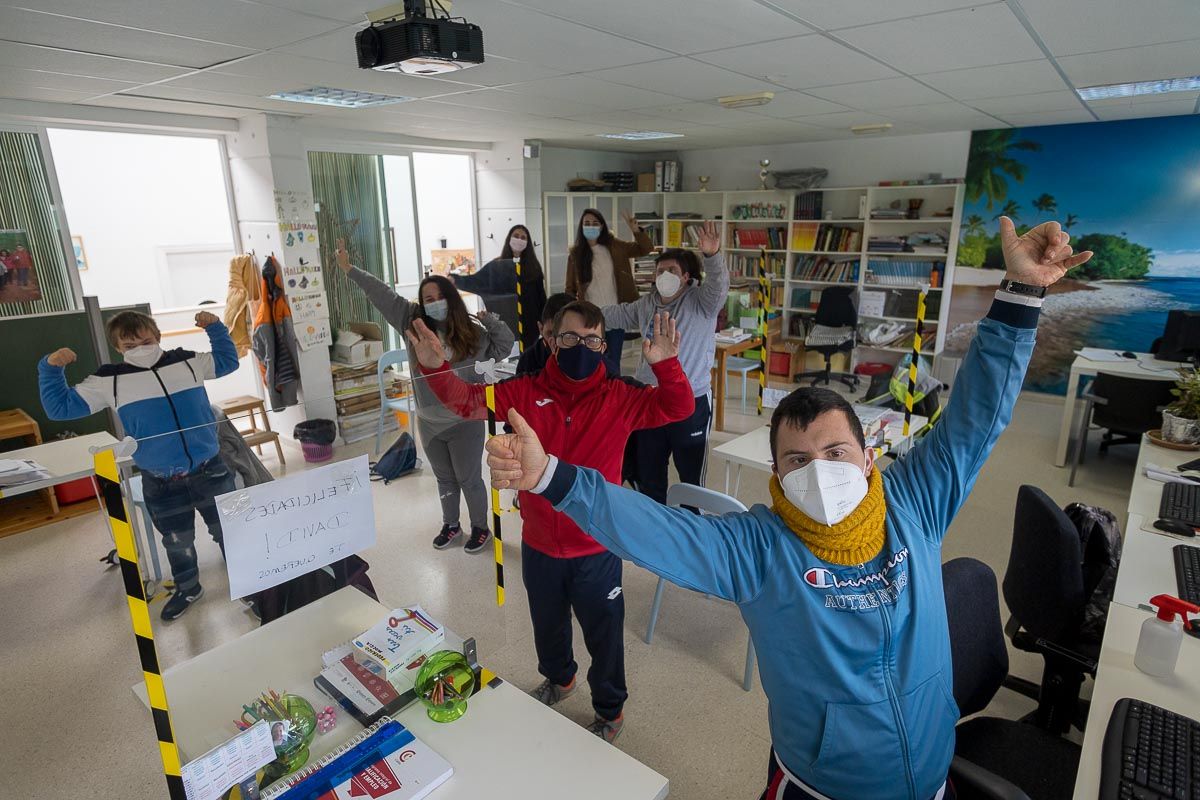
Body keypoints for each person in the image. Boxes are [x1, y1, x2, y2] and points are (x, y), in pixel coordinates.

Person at [485, 218, 1093, 799]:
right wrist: (555, 478)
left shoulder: (914, 504)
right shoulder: (760, 548)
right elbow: (659, 530)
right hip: (818, 786)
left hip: (934, 779)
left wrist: (1018, 299)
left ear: (869, 458)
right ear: (776, 473)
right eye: (799, 460)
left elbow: (973, 424)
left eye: (835, 451)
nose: (820, 470)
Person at [407, 303, 694, 743]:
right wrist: (438, 368)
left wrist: (668, 364)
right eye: (571, 339)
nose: (582, 347)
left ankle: (609, 709)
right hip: (540, 543)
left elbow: (678, 408)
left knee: (604, 635)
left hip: (596, 546)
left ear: (604, 344)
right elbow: (467, 402)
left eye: (592, 340)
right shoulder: (523, 391)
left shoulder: (622, 397)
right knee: (547, 624)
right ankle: (560, 680)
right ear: (550, 341)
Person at [38, 310, 241, 621]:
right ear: (118, 348)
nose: (141, 348)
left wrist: (215, 328)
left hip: (210, 469)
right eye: (130, 345)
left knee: (231, 530)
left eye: (146, 340)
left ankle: (252, 580)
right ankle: (188, 588)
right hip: (160, 481)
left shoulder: (187, 361)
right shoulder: (109, 380)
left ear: (157, 336)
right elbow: (59, 408)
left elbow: (227, 361)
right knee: (177, 541)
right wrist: (51, 368)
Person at [337, 240, 514, 554]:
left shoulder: (473, 332)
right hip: (429, 423)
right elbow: (382, 294)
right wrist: (351, 270)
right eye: (428, 298)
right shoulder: (413, 324)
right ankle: (451, 525)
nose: (434, 303)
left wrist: (490, 320)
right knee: (444, 480)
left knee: (469, 480)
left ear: (451, 299)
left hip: (464, 421)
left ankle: (480, 528)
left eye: (440, 297)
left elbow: (504, 347)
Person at [602, 220, 727, 504]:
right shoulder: (648, 303)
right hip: (651, 401)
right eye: (660, 271)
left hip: (691, 400)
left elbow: (719, 286)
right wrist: (582, 313)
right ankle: (655, 528)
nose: (664, 276)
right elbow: (618, 314)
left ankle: (693, 530)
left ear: (685, 277)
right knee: (649, 475)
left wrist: (712, 256)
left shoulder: (702, 302)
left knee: (691, 479)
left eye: (671, 271)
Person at [564, 208, 653, 374]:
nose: (591, 227)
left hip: (616, 314)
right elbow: (570, 288)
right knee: (591, 359)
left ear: (602, 226)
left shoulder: (615, 246)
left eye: (595, 223)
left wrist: (636, 231)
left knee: (613, 362)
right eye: (587, 224)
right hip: (590, 317)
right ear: (581, 227)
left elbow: (646, 248)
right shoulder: (576, 254)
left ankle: (613, 394)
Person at [452, 224, 547, 351]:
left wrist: (545, 321)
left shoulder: (533, 266)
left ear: (528, 243)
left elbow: (541, 296)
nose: (519, 240)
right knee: (510, 355)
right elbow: (477, 281)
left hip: (531, 324)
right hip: (506, 321)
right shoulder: (497, 266)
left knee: (529, 355)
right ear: (509, 239)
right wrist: (455, 280)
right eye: (516, 236)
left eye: (523, 238)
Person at [515, 292, 576, 376]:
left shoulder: (590, 357)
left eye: (567, 335)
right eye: (551, 333)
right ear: (540, 328)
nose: (555, 342)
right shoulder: (528, 361)